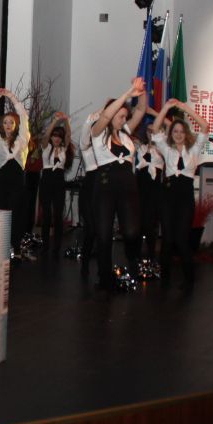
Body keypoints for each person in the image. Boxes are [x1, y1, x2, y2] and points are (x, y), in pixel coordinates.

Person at [90, 77, 147, 291]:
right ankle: (105, 279)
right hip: (105, 186)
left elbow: (141, 110)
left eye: (125, 116)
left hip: (128, 188)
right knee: (104, 235)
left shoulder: (126, 133)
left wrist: (141, 91)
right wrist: (126, 94)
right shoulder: (98, 132)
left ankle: (133, 259)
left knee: (132, 232)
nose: (124, 119)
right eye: (121, 116)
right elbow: (105, 116)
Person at [150, 99, 209, 287]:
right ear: (171, 133)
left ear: (186, 133)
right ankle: (164, 279)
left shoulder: (194, 149)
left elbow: (205, 126)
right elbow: (156, 128)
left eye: (181, 131)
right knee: (167, 238)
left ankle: (189, 279)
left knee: (181, 239)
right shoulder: (166, 149)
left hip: (185, 197)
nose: (178, 134)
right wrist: (165, 107)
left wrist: (185, 108)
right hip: (167, 196)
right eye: (175, 131)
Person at [0, 88, 30, 259]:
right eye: (5, 122)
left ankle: (16, 249)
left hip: (17, 182)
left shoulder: (22, 139)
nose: (8, 125)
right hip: (2, 182)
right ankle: (0, 248)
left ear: (15, 124)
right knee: (0, 213)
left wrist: (11, 97)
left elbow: (24, 116)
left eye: (11, 122)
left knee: (16, 215)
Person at [39, 112, 72, 258]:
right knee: (46, 215)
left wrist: (66, 121)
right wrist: (55, 121)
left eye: (59, 136)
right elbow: (46, 135)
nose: (56, 138)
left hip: (59, 181)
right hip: (46, 180)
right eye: (54, 136)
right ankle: (45, 245)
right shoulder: (46, 147)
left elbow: (68, 135)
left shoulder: (64, 149)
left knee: (58, 215)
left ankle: (57, 247)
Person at [134, 123, 164, 261]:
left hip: (154, 190)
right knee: (138, 223)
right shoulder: (141, 147)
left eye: (153, 130)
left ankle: (151, 256)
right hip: (140, 188)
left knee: (150, 224)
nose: (150, 133)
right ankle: (136, 257)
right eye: (148, 130)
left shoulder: (162, 149)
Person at [78, 111, 100, 277]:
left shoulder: (104, 145)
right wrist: (97, 115)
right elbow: (86, 128)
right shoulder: (86, 146)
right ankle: (85, 263)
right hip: (89, 187)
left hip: (103, 186)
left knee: (101, 230)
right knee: (90, 229)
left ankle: (102, 268)